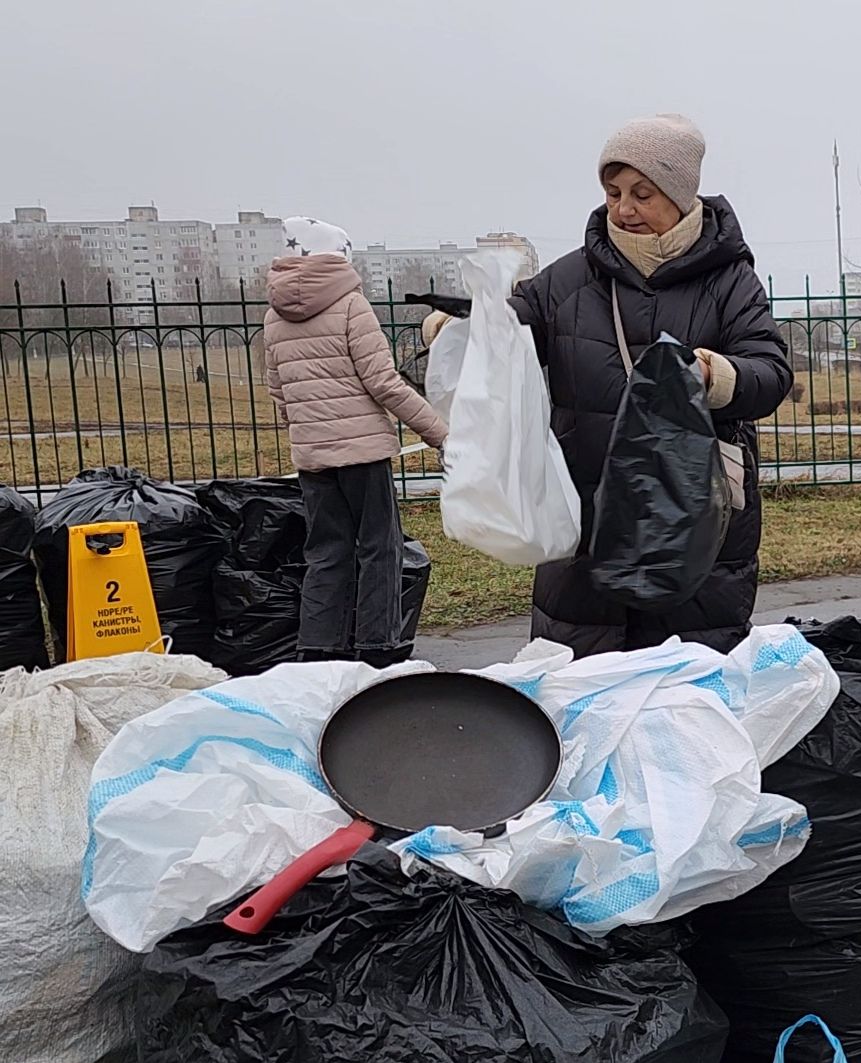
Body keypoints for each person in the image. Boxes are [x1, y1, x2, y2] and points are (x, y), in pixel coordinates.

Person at [424, 114, 791, 655]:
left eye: (643, 194)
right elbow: (517, 322)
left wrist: (715, 375)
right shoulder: (568, 280)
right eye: (614, 192)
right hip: (584, 523)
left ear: (680, 194)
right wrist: (466, 329)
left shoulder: (729, 281)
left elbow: (771, 371)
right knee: (579, 683)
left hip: (692, 524)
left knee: (685, 688)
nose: (623, 209)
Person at [263, 216, 447, 667]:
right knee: (379, 549)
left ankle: (318, 650)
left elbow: (278, 392)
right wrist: (440, 433)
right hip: (362, 453)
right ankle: (377, 648)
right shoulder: (350, 306)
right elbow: (384, 382)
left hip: (312, 458)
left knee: (325, 552)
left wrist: (306, 431)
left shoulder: (274, 315)